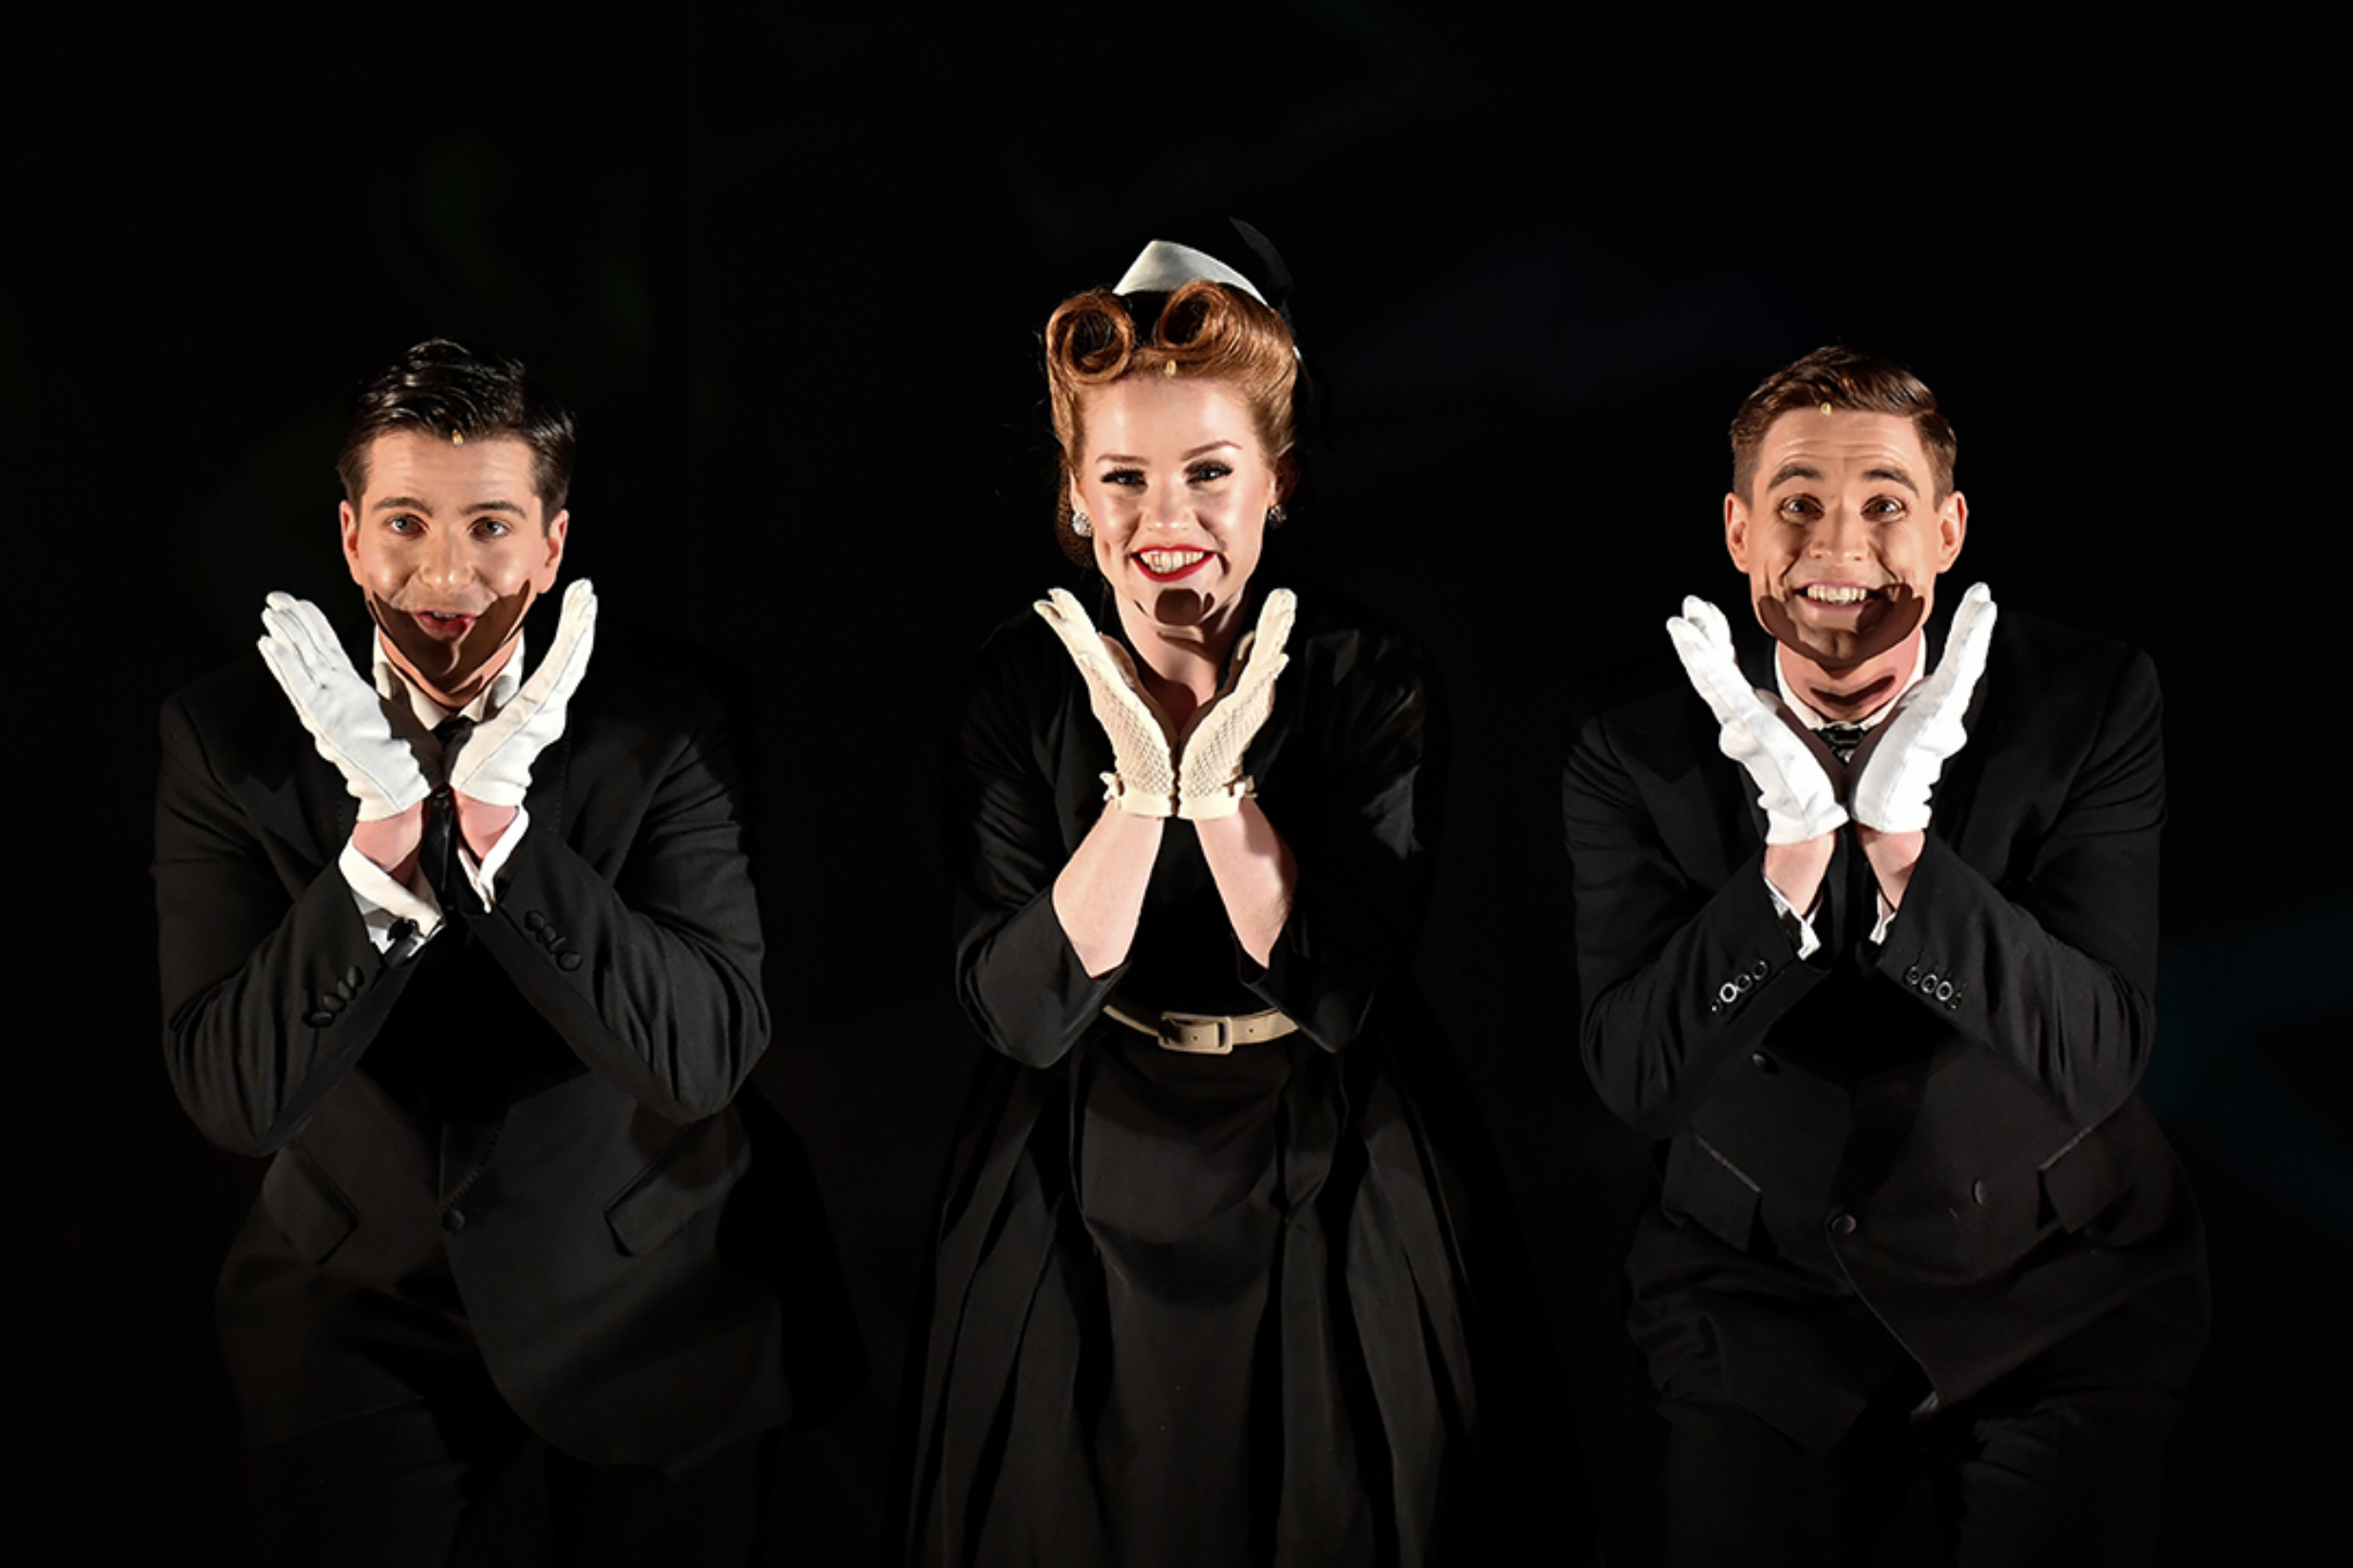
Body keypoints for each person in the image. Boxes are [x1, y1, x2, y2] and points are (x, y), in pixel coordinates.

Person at [154, 341, 852, 1565]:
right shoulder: (225, 737)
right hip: (351, 1294)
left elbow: (697, 1061)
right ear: (351, 537)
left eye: (489, 526)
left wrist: (499, 838)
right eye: (407, 522)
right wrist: (377, 851)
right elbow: (235, 1094)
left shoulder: (671, 718)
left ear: (551, 543)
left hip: (651, 1283)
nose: (445, 574)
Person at [1562, 346, 2208, 1565]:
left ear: (1949, 528)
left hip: (2053, 1289)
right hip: (1754, 1303)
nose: (1838, 545)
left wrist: (1905, 856)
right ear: (1738, 532)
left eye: (1883, 505)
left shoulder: (2089, 701)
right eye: (1796, 504)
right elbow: (1634, 1077)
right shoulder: (1630, 743)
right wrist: (1790, 863)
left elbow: (2096, 1049)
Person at [901, 231, 1476, 1567]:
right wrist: (1136, 790)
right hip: (1079, 1163)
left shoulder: (1368, 673)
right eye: (1126, 478)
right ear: (1075, 496)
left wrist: (1218, 796)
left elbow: (1337, 995)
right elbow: (1020, 1012)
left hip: (1330, 1170)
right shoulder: (1019, 682)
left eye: (1210, 473)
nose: (1167, 524)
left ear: (1276, 482)